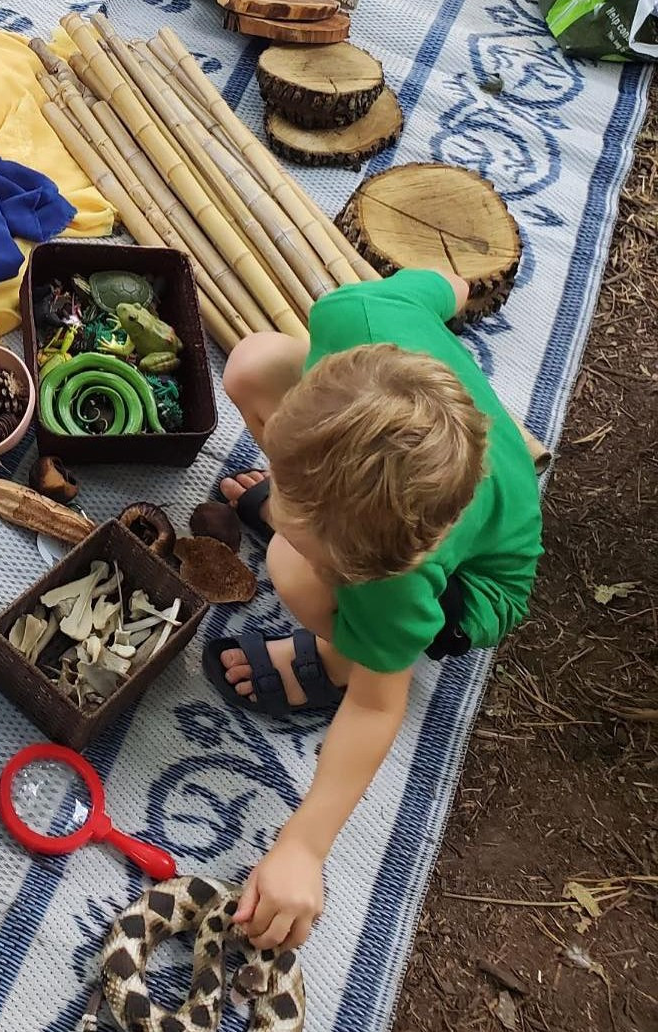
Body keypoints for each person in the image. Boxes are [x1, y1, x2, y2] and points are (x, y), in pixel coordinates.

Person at [202, 268, 543, 951]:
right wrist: (464, 283)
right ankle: (321, 528)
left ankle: (336, 654)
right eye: (293, 507)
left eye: (307, 525)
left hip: (477, 586)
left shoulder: (398, 578)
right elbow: (442, 287)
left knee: (289, 572)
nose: (284, 521)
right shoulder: (352, 314)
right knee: (251, 363)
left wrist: (303, 845)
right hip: (422, 465)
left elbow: (378, 707)